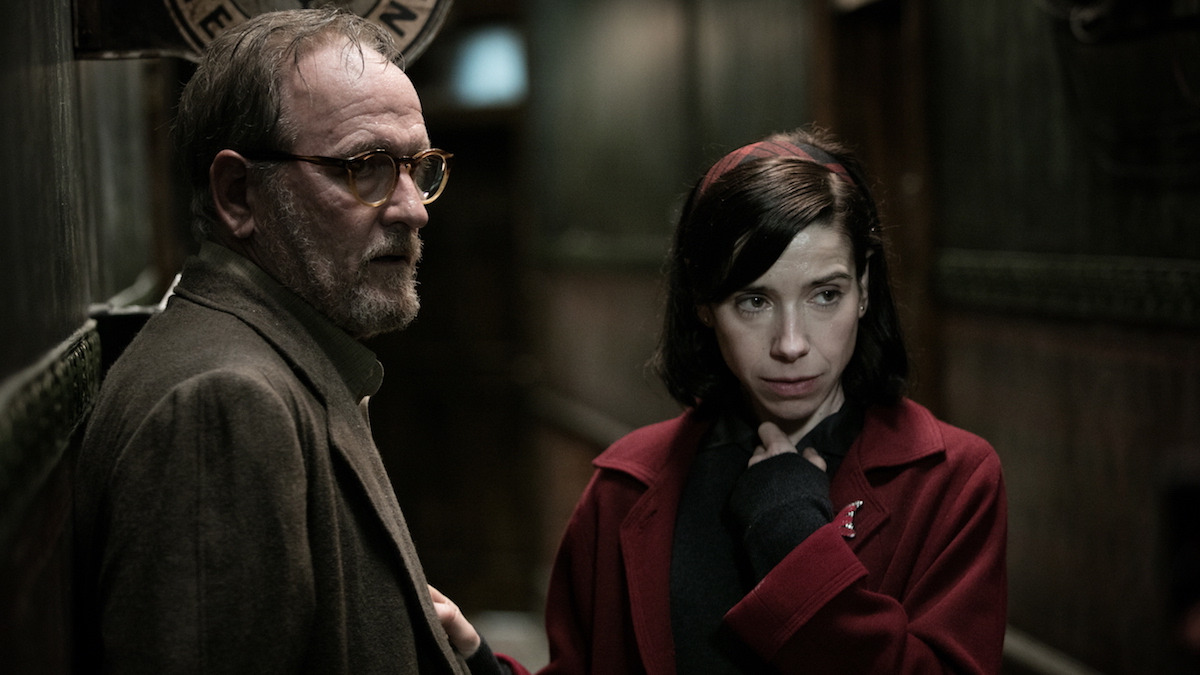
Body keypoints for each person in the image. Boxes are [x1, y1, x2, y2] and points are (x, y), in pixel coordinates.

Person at [73, 8, 516, 674]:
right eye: (366, 167)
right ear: (238, 194)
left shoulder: (290, 358)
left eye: (419, 168)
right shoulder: (223, 405)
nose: (412, 209)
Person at [534, 128, 1008, 673]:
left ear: (864, 288)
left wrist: (790, 534)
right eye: (754, 301)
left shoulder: (950, 479)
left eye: (825, 295)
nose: (791, 344)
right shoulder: (626, 485)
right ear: (704, 302)